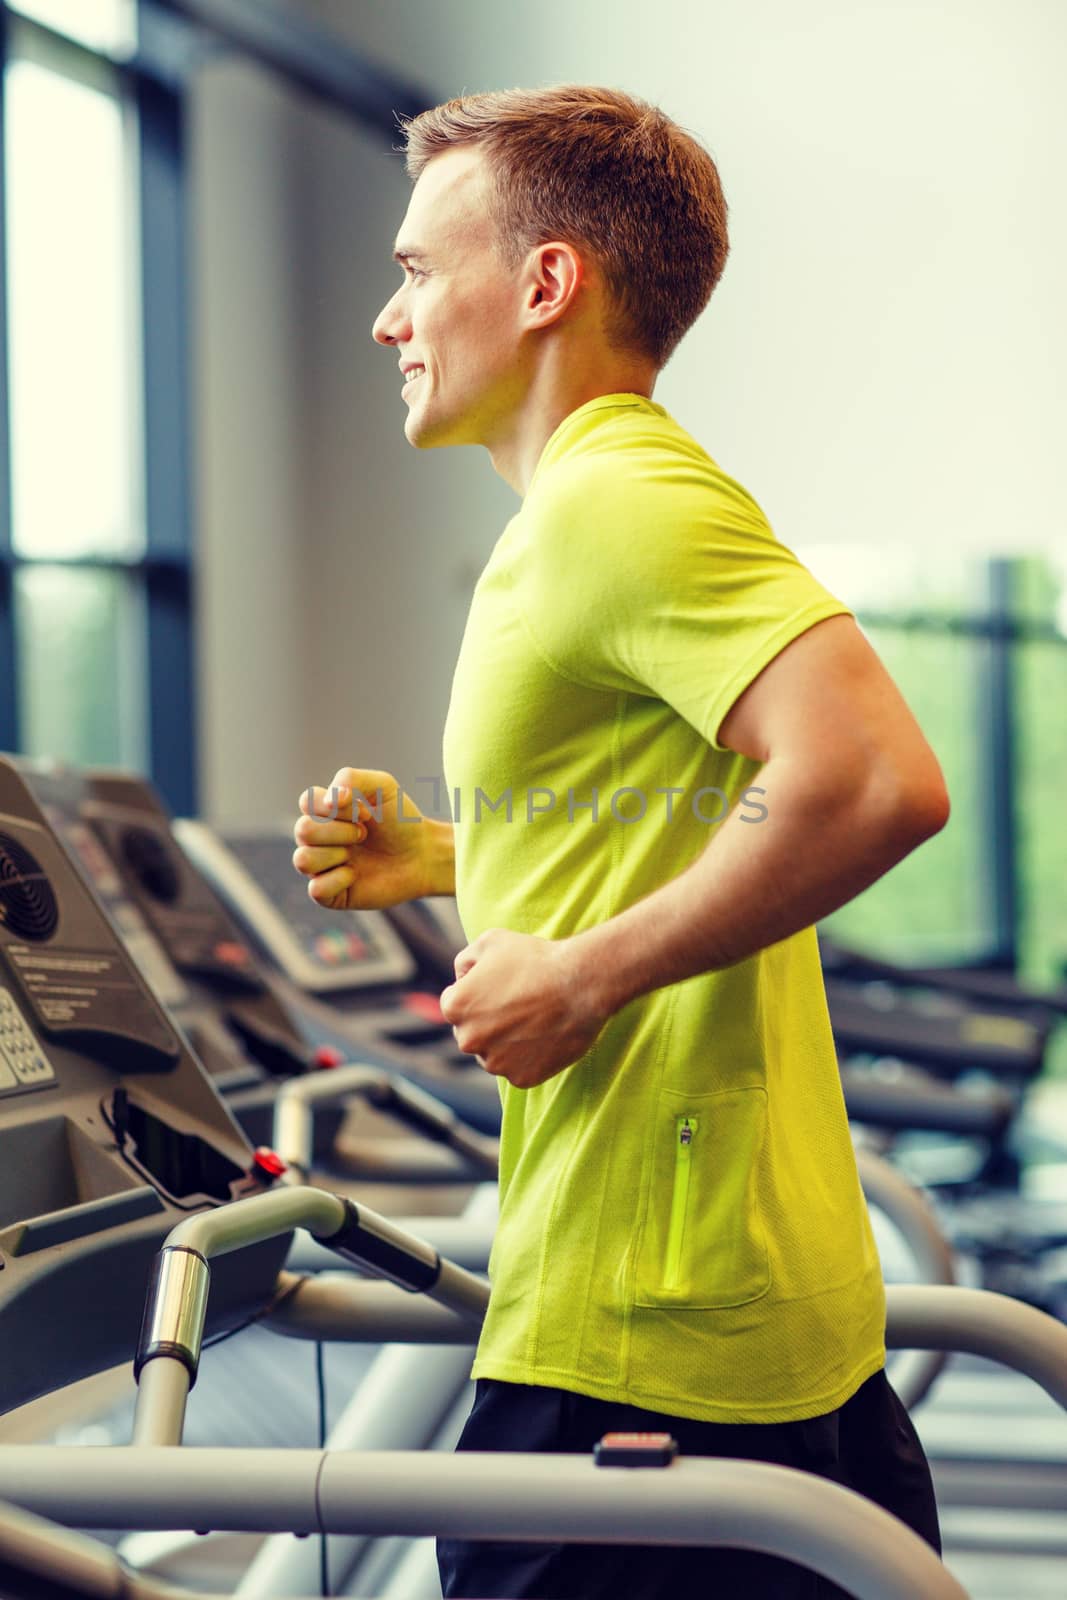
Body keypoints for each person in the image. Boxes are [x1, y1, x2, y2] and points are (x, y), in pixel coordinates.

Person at [293, 84, 950, 1600]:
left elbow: (874, 779)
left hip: (649, 1332)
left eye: (411, 273)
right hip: (728, 1299)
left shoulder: (617, 498)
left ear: (543, 283)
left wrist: (579, 972)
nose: (390, 322)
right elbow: (704, 808)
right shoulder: (592, 510)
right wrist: (459, 858)